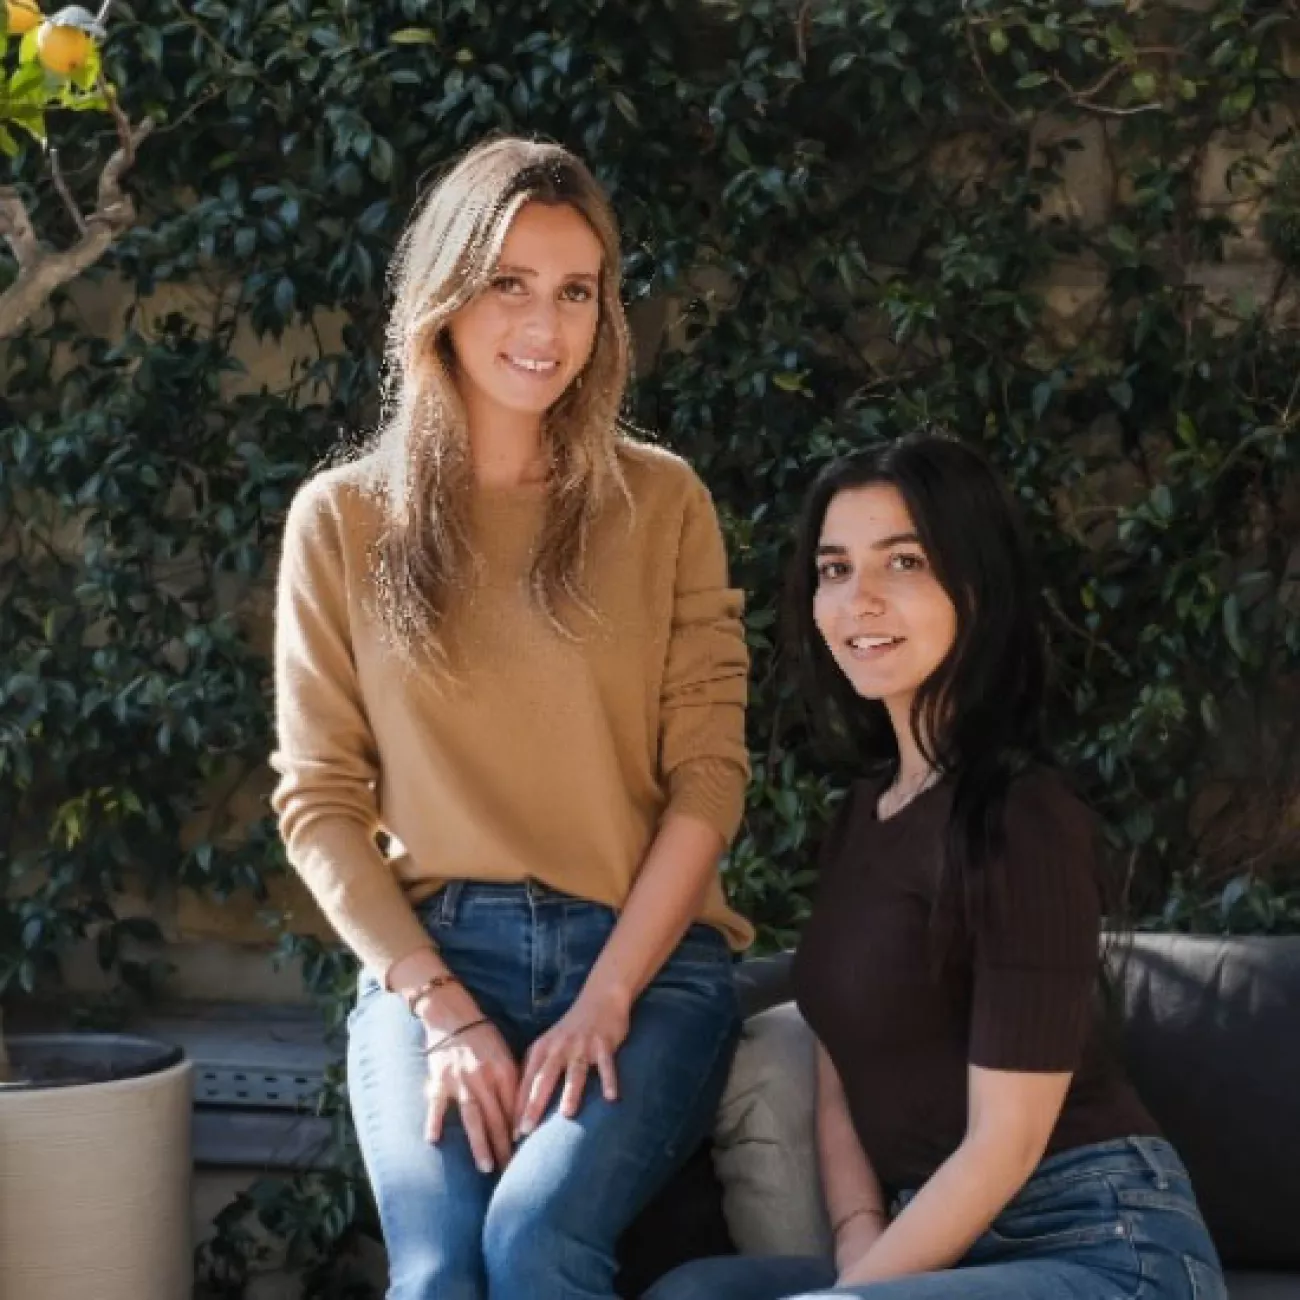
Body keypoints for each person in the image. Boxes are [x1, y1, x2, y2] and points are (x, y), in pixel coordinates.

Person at [269, 135, 753, 1300]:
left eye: (575, 291)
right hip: (435, 963)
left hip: (642, 962)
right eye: (508, 284)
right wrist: (438, 1008)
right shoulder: (342, 520)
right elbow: (320, 802)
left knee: (538, 1247)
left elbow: (708, 778)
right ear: (444, 295)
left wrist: (606, 998)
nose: (545, 324)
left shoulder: (664, 501)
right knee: (436, 1271)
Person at [645, 433, 1226, 1300]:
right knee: (694, 1293)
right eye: (834, 570)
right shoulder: (862, 816)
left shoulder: (1022, 817)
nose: (859, 599)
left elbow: (1007, 1144)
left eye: (903, 562)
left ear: (975, 586)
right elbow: (839, 1056)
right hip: (944, 1246)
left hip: (1103, 1243)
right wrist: (857, 1243)